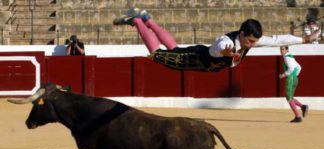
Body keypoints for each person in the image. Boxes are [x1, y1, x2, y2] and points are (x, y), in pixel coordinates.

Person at [113, 8, 320, 72]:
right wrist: (224, 53)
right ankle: (138, 21)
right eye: (249, 41)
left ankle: (148, 19)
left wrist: (304, 39)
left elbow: (276, 40)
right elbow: (217, 49)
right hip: (194, 59)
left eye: (254, 42)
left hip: (199, 57)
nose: (252, 45)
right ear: (241, 34)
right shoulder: (227, 42)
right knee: (157, 54)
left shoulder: (250, 39)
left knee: (173, 47)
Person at [279, 45, 308, 123]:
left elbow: (291, 68)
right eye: (280, 49)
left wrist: (283, 75)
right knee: (290, 97)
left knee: (289, 98)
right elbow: (299, 67)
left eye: (283, 49)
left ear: (287, 50)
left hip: (290, 79)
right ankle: (303, 107)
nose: (281, 51)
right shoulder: (291, 56)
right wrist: (295, 75)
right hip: (294, 78)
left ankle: (298, 117)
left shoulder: (286, 57)